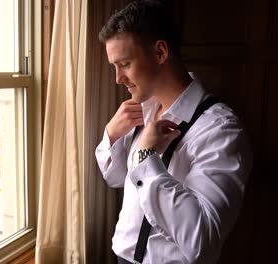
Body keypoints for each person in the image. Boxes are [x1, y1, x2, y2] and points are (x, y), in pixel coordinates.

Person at [95, 1, 253, 263]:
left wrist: (146, 156)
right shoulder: (140, 112)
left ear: (159, 52)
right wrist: (111, 136)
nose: (117, 78)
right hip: (120, 256)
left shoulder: (220, 130)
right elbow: (116, 177)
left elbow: (202, 240)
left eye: (124, 63)